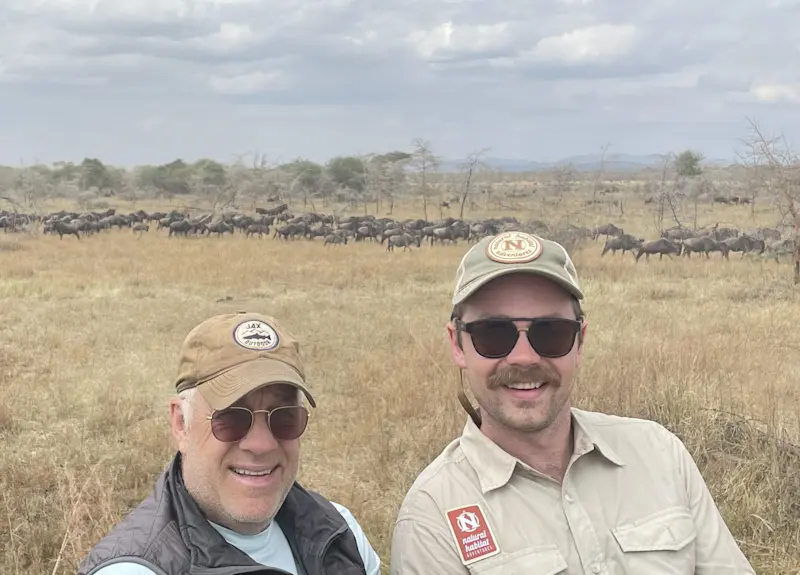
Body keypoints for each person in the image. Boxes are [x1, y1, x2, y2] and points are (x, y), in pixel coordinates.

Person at [390, 231, 755, 574]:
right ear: (457, 345)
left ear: (580, 341)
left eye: (551, 332)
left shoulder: (659, 454)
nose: (523, 358)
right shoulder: (432, 516)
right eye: (492, 334)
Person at [79, 311, 381, 575]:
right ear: (181, 425)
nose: (261, 444)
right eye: (232, 418)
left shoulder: (340, 531)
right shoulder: (136, 569)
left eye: (284, 417)